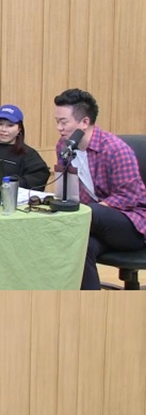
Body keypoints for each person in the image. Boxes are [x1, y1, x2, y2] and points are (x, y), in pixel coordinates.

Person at [53, 89, 146, 290]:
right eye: (57, 121)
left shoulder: (115, 149)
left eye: (64, 122)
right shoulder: (64, 147)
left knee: (90, 212)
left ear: (84, 122)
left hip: (133, 225)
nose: (59, 128)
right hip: (95, 224)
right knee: (79, 247)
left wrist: (93, 209)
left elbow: (130, 196)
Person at [0, 104, 50, 190]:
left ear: (19, 129)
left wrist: (13, 183)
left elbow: (39, 176)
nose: (3, 129)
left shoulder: (29, 154)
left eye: (10, 125)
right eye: (0, 124)